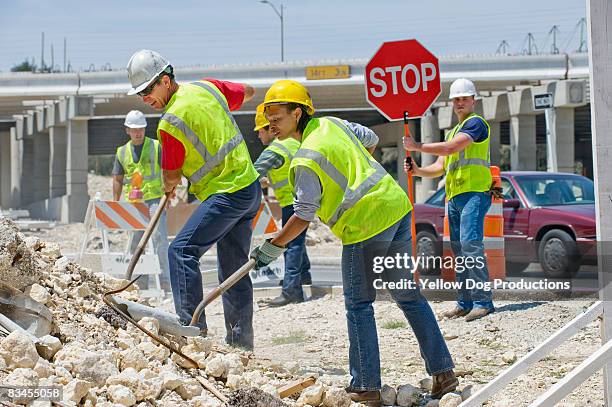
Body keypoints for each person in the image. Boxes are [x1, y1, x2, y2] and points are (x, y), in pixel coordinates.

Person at [249, 80, 457, 404]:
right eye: (269, 118)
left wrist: (273, 245)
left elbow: (303, 214)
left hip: (365, 226)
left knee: (359, 305)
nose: (270, 124)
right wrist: (356, 173)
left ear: (298, 112)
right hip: (396, 208)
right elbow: (371, 140)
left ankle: (366, 386)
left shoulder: (304, 159)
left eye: (276, 116)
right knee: (408, 295)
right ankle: (443, 373)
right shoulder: (333, 125)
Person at [126, 49, 260, 349]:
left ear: (164, 80)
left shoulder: (169, 123)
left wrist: (168, 186)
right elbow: (249, 92)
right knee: (233, 267)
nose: (146, 98)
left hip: (226, 194)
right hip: (249, 189)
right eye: (140, 94)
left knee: (181, 251)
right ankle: (241, 345)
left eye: (148, 90)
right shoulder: (207, 87)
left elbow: (171, 175)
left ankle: (191, 333)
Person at [404, 78, 495, 322]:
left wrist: (417, 146)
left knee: (470, 246)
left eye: (464, 98)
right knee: (458, 250)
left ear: (473, 100)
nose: (460, 103)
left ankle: (482, 302)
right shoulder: (454, 130)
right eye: (456, 99)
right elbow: (438, 167)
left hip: (475, 193)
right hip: (454, 197)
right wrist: (418, 171)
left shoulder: (476, 124)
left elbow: (450, 148)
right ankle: (464, 303)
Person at [252, 103, 312, 306]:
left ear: (268, 129)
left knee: (291, 245)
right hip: (306, 200)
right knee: (297, 241)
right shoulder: (293, 143)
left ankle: (291, 291)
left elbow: (252, 174)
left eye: (259, 132)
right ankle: (303, 278)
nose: (259, 137)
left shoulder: (274, 150)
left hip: (291, 204)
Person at [111, 110, 171, 293]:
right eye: (134, 129)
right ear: (127, 130)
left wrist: (167, 195)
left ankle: (166, 281)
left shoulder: (156, 146)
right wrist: (116, 203)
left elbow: (167, 170)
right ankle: (138, 283)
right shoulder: (122, 152)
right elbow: (117, 178)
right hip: (133, 203)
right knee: (135, 243)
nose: (138, 132)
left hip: (154, 199)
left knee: (159, 239)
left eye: (141, 129)